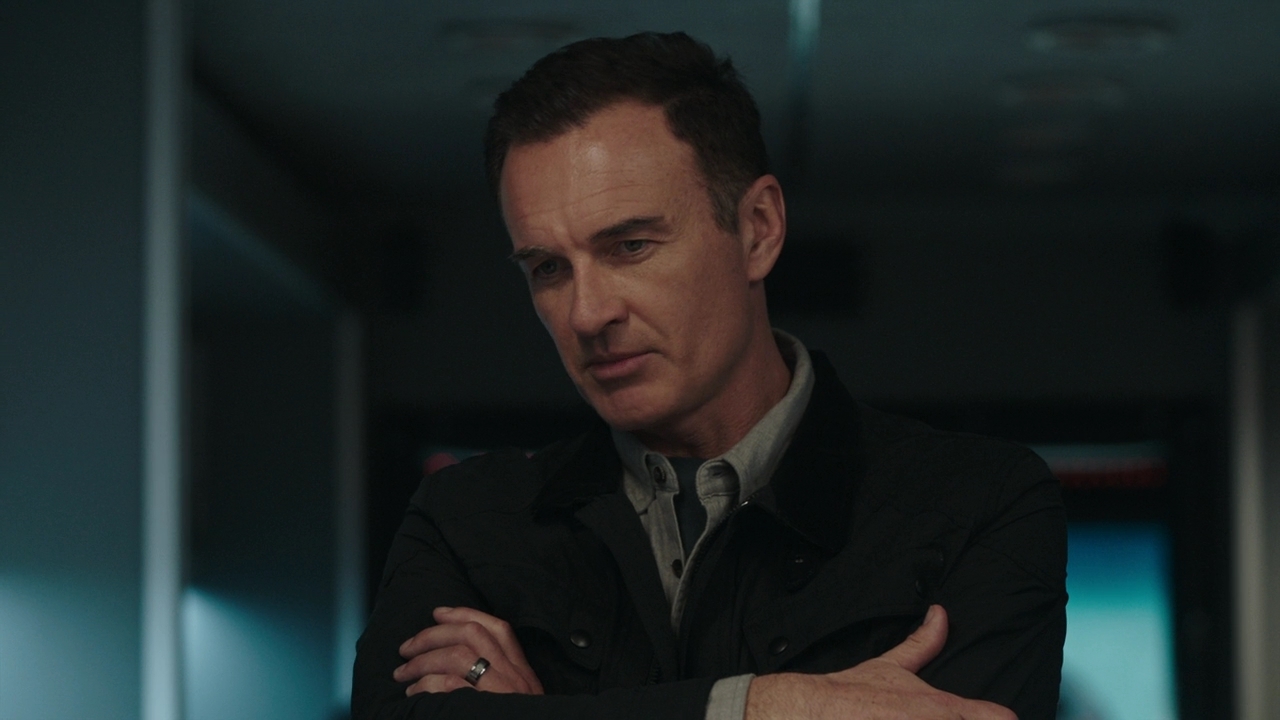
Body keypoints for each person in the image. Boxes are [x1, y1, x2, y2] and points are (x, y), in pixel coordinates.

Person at [352, 31, 1066, 720]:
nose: (587, 313)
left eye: (631, 246)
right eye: (547, 268)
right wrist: (765, 708)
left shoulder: (981, 504)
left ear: (758, 229)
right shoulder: (466, 522)